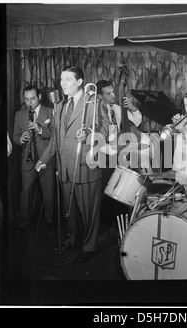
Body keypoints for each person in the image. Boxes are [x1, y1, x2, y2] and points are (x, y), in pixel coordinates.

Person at [36, 66, 109, 263]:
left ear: (79, 82)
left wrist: (89, 136)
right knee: (70, 212)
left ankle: (89, 246)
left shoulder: (94, 102)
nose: (63, 83)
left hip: (86, 166)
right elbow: (56, 141)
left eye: (68, 79)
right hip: (65, 168)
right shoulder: (59, 106)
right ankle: (73, 240)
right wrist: (43, 160)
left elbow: (107, 130)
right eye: (61, 80)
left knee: (88, 213)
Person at [13, 85, 56, 234]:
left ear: (39, 97)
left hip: (46, 158)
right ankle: (24, 222)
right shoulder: (19, 114)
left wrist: (40, 129)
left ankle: (50, 220)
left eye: (32, 98)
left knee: (48, 192)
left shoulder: (50, 112)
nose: (29, 102)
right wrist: (21, 139)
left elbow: (55, 136)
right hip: (28, 159)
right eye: (26, 99)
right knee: (26, 192)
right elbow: (15, 136)